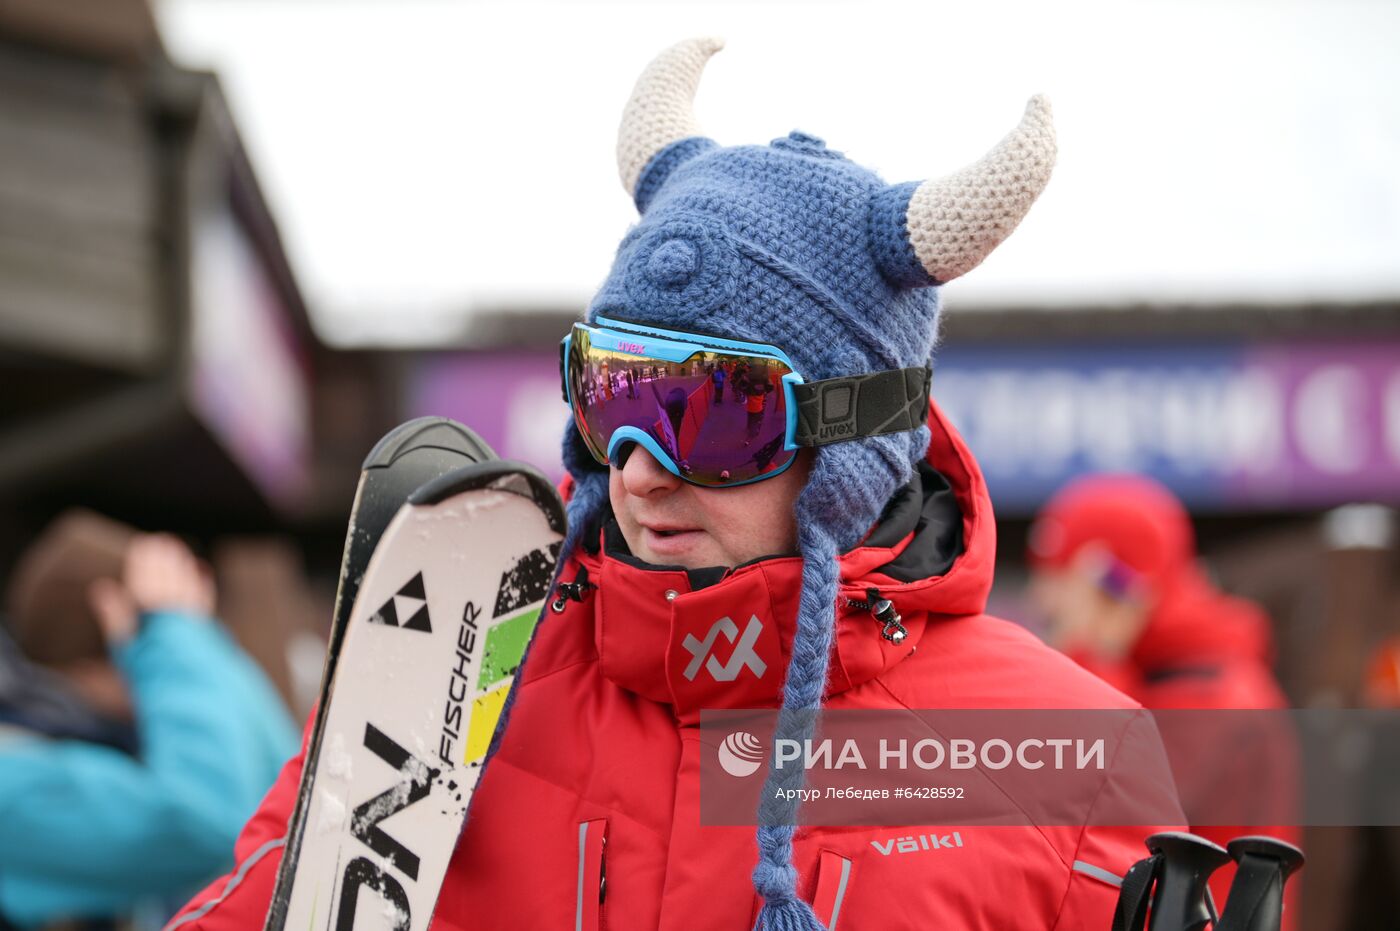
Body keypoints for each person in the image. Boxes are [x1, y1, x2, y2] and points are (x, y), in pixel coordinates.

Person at [171, 38, 1182, 930]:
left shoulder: (1066, 754)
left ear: (853, 444)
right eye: (613, 394)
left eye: (713, 413)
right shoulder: (459, 662)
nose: (639, 471)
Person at [1027, 473, 1298, 923]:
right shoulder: (1160, 671)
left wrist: (1092, 650)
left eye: (1058, 577)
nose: (1043, 598)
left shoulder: (1213, 689)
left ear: (1109, 584)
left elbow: (1097, 800)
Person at [0, 529, 298, 928]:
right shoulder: (12, 780)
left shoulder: (109, 742)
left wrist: (192, 638)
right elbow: (206, 820)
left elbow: (291, 803)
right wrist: (172, 638)